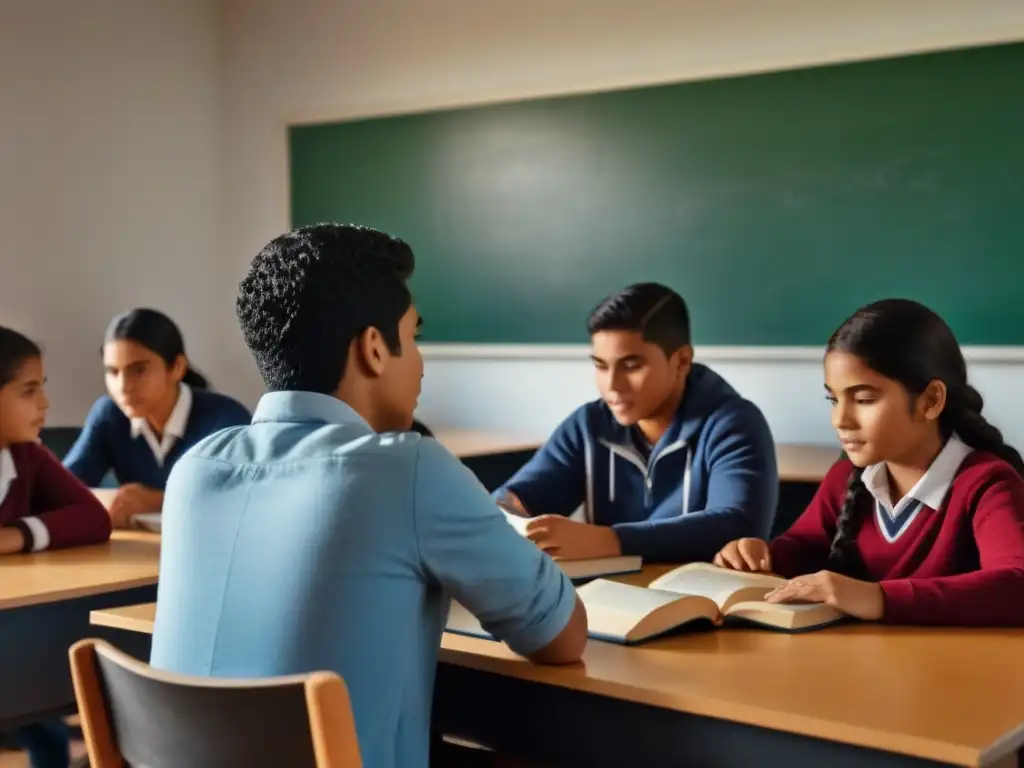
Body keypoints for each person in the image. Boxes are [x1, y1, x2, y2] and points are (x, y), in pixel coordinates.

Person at [149, 223, 587, 768]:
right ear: (375, 349)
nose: (421, 363)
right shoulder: (406, 468)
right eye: (415, 336)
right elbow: (562, 637)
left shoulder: (194, 468)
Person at [713, 298, 1024, 626]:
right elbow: (806, 544)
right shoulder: (848, 475)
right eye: (833, 399)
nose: (840, 419)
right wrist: (760, 556)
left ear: (931, 401)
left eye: (863, 399)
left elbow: (1016, 584)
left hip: (946, 671)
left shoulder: (988, 483)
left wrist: (876, 596)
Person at [494, 283, 778, 563]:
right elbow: (519, 498)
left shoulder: (735, 422)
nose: (612, 386)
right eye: (601, 366)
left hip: (697, 601)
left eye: (631, 366)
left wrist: (609, 541)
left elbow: (738, 525)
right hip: (609, 597)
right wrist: (503, 510)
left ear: (681, 361)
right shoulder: (588, 424)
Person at [0, 327, 111, 768]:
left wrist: (17, 535)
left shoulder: (27, 456)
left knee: (38, 697)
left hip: (16, 626)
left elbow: (93, 517)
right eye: (29, 391)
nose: (44, 405)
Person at [63, 309, 250, 527]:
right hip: (132, 552)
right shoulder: (110, 415)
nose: (123, 387)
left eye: (139, 370)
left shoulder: (226, 420)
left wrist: (158, 501)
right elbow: (63, 489)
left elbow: (243, 499)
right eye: (113, 372)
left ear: (177, 367)